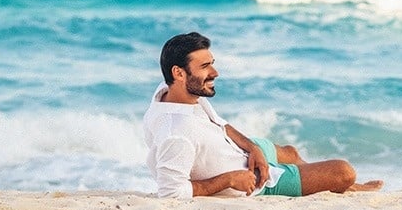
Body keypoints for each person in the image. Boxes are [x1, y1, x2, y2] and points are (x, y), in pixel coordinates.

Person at [143, 32, 383, 198]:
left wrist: (252, 148)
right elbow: (171, 192)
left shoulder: (171, 92)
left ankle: (318, 179)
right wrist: (228, 180)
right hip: (255, 181)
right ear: (179, 73)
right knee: (344, 172)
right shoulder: (176, 133)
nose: (215, 72)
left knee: (290, 152)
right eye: (205, 67)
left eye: (212, 63)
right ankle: (346, 187)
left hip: (240, 151)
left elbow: (221, 125)